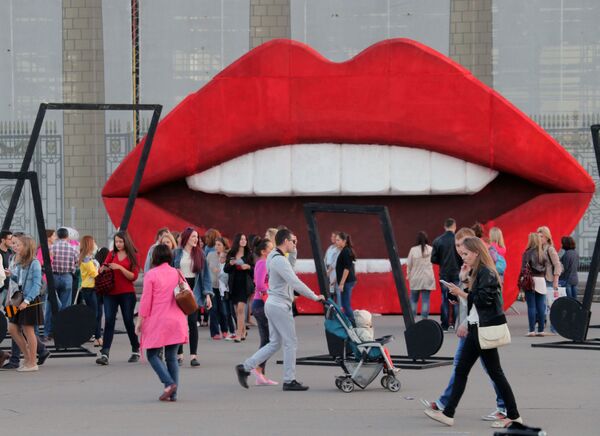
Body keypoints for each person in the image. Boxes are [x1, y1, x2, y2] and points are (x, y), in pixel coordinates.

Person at [424, 237, 522, 428]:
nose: (463, 258)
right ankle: (448, 413)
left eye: (466, 254)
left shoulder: (487, 272)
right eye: (462, 254)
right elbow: (473, 299)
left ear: (476, 252)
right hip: (476, 326)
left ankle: (514, 415)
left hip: (482, 328)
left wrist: (462, 292)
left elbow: (484, 300)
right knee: (465, 370)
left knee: (493, 373)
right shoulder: (478, 271)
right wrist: (462, 282)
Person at [236, 228, 325, 391]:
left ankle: (245, 367)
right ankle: (289, 380)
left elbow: (289, 268)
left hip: (273, 303)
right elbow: (294, 281)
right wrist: (315, 297)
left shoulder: (274, 257)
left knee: (275, 343)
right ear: (285, 241)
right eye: (293, 241)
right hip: (279, 305)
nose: (294, 243)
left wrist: (295, 250)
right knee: (290, 342)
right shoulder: (279, 260)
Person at [135, 244, 188, 402]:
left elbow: (145, 301)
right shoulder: (177, 272)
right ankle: (174, 393)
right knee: (171, 357)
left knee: (152, 354)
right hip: (176, 320)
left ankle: (168, 382)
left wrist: (140, 320)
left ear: (154, 257)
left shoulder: (151, 275)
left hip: (157, 320)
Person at [95, 231, 141, 365]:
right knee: (109, 320)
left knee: (128, 320)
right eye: (116, 242)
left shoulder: (134, 255)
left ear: (126, 241)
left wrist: (119, 267)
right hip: (110, 293)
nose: (118, 244)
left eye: (121, 241)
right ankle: (105, 353)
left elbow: (133, 276)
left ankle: (135, 349)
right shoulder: (111, 254)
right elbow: (102, 268)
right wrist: (103, 269)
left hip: (127, 293)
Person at [173, 227, 213, 366]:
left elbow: (206, 276)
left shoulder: (200, 254)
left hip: (194, 290)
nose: (196, 239)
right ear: (186, 238)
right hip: (179, 288)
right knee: (179, 323)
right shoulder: (176, 253)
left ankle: (193, 356)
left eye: (197, 237)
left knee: (192, 322)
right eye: (193, 237)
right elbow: (170, 272)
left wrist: (207, 295)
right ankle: (179, 354)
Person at [6, 235, 45, 372]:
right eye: (14, 244)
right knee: (11, 328)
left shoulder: (34, 262)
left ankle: (32, 362)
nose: (14, 246)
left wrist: (27, 301)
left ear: (26, 247)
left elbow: (36, 284)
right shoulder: (17, 260)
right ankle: (28, 357)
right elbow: (21, 281)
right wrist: (11, 275)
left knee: (28, 331)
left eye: (17, 244)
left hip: (28, 300)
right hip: (16, 299)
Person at [249, 237, 278, 385]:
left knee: (267, 340)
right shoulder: (262, 263)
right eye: (270, 248)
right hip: (261, 304)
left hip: (261, 303)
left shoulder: (266, 263)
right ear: (263, 251)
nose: (273, 250)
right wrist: (272, 292)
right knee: (269, 341)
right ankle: (258, 368)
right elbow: (260, 285)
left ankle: (260, 373)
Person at [45, 227, 78, 341]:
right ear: (67, 236)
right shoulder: (73, 249)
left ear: (57, 236)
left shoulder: (51, 247)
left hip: (53, 276)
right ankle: (63, 331)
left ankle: (48, 332)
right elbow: (76, 263)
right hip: (67, 277)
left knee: (51, 304)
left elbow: (47, 262)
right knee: (65, 306)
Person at [431, 218, 462, 331]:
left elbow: (433, 259)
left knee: (445, 298)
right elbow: (462, 256)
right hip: (457, 273)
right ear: (454, 226)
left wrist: (442, 261)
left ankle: (444, 324)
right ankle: (456, 322)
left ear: (444, 227)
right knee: (457, 297)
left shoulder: (438, 241)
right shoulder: (458, 241)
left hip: (444, 273)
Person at [224, 233, 254, 343]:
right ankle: (243, 331)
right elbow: (226, 269)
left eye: (245, 239)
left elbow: (254, 270)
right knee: (237, 311)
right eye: (241, 239)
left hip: (244, 284)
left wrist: (248, 267)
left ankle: (238, 334)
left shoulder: (248, 254)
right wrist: (231, 264)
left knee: (241, 309)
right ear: (237, 241)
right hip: (233, 284)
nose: (243, 241)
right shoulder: (231, 253)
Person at [520, 232, 548, 336]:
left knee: (531, 306)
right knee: (541, 307)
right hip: (541, 280)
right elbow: (545, 269)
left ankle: (531, 330)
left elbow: (523, 269)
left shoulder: (527, 253)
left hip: (530, 281)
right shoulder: (543, 253)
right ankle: (541, 330)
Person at [537, 226, 562, 335]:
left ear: (547, 237)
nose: (540, 238)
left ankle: (554, 328)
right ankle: (541, 328)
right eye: (538, 236)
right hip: (540, 280)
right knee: (542, 305)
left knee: (552, 305)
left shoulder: (550, 249)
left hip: (549, 280)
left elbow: (557, 265)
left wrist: (556, 279)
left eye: (541, 236)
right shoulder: (538, 249)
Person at [207, 237, 232, 340]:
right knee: (213, 310)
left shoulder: (228, 256)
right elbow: (205, 269)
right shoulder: (210, 255)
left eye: (219, 245)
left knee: (223, 310)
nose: (216, 247)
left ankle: (225, 330)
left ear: (224, 246)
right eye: (216, 245)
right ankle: (215, 333)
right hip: (212, 286)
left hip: (223, 287)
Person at [406, 231, 435, 319]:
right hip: (428, 278)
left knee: (413, 300)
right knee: (425, 300)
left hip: (415, 278)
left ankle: (412, 319)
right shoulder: (431, 249)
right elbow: (434, 261)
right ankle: (424, 319)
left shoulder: (413, 250)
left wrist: (408, 275)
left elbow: (409, 264)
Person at [79, 235, 101, 345]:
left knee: (94, 313)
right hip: (90, 288)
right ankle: (97, 336)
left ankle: (96, 336)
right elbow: (94, 273)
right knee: (95, 314)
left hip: (87, 287)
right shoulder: (87, 259)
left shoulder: (84, 257)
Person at [335, 232, 357, 326]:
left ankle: (353, 324)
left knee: (346, 304)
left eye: (338, 240)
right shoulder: (345, 250)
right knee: (345, 303)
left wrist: (341, 283)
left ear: (344, 241)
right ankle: (350, 323)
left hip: (347, 282)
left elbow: (347, 268)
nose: (336, 242)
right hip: (347, 281)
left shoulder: (346, 251)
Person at [324, 231, 341, 304]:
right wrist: (325, 269)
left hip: (335, 271)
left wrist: (329, 270)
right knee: (330, 291)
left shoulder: (339, 249)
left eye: (334, 237)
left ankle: (339, 309)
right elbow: (325, 258)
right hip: (328, 270)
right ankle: (332, 308)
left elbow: (336, 262)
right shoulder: (330, 247)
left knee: (337, 291)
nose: (332, 238)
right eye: (332, 236)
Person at [0, 230, 13, 307]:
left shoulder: (11, 252)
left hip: (10, 288)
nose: (12, 241)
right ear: (3, 240)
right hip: (1, 288)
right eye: (10, 239)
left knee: (10, 313)